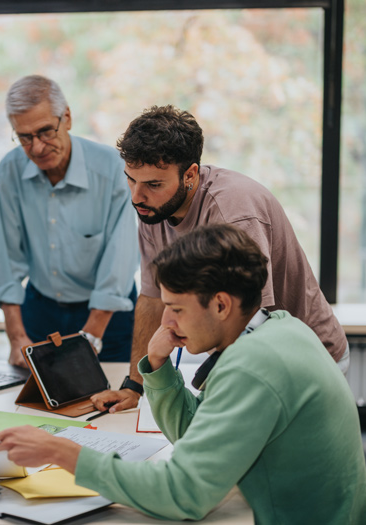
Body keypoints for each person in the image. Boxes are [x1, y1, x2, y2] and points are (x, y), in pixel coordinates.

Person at [0, 224, 366, 524]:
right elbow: (197, 434)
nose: (165, 321)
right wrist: (158, 367)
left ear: (221, 305)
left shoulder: (253, 366)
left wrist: (60, 453)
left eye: (177, 308)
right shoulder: (278, 327)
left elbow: (184, 494)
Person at [91, 105, 349, 412]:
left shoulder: (233, 214)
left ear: (190, 175)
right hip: (250, 355)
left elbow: (254, 321)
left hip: (305, 360)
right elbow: (151, 298)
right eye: (131, 180)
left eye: (153, 184)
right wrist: (134, 385)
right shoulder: (153, 209)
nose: (136, 196)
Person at [0, 75, 139, 365]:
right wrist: (16, 336)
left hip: (108, 314)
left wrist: (91, 335)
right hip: (41, 310)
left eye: (45, 131)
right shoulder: (9, 170)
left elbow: (119, 260)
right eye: (24, 137)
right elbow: (6, 259)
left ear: (67, 117)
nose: (37, 148)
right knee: (39, 405)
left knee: (110, 401)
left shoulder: (112, 168)